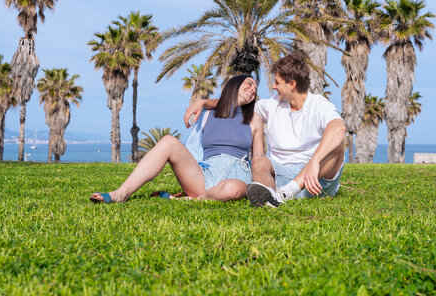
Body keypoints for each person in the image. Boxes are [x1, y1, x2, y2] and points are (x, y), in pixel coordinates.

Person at [185, 54, 346, 208]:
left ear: (292, 84)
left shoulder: (318, 104)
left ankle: (287, 193)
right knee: (259, 160)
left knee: (338, 147)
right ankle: (271, 200)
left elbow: (338, 128)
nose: (273, 86)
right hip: (280, 178)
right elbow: (236, 102)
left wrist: (315, 162)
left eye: (277, 82)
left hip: (315, 180)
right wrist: (204, 102)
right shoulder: (272, 105)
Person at [89, 75, 263, 203]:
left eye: (255, 89)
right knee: (168, 141)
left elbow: (259, 160)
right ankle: (121, 193)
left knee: (233, 188)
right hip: (204, 176)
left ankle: (186, 200)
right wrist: (202, 102)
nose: (253, 89)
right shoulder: (208, 114)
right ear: (234, 85)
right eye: (249, 83)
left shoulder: (254, 119)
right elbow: (225, 104)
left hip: (238, 176)